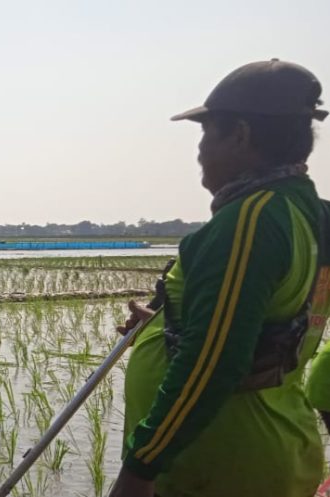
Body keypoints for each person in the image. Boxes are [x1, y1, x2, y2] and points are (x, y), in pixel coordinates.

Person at [110, 59, 329, 497]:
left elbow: (213, 364)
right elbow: (270, 320)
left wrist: (140, 468)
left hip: (223, 465)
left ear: (241, 135)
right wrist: (165, 324)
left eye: (207, 133)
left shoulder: (249, 223)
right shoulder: (310, 212)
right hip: (273, 446)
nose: (199, 151)